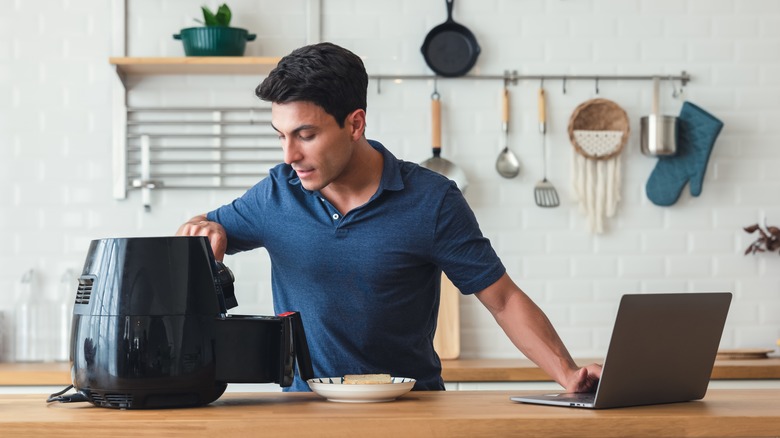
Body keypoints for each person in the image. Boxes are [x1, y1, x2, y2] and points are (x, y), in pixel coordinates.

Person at [177, 42, 602, 392]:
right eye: (282, 136)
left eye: (306, 135)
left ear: (355, 123)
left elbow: (504, 299)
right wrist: (204, 227)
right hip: (305, 415)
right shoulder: (276, 193)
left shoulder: (432, 201)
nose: (290, 156)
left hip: (412, 412)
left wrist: (567, 373)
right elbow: (199, 233)